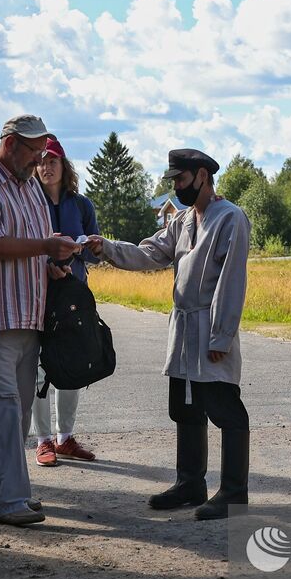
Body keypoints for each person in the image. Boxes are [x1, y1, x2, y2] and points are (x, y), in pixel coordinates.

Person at [86, 149, 251, 521]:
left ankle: (235, 493)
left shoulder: (231, 218)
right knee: (185, 408)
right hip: (183, 330)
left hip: (210, 327)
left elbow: (231, 282)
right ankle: (191, 483)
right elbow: (150, 253)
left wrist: (221, 337)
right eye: (173, 180)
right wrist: (106, 247)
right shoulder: (183, 221)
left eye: (180, 179)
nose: (176, 186)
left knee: (225, 408)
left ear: (203, 176)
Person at [0, 114, 81, 528]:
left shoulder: (31, 188)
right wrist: (44, 245)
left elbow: (34, 248)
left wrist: (50, 264)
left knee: (20, 410)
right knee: (3, 409)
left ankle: (6, 490)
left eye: (43, 150)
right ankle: (9, 503)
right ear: (8, 142)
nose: (39, 158)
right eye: (32, 150)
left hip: (29, 313)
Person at [31, 136, 100, 467]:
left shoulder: (82, 204)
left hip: (73, 294)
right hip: (37, 293)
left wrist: (90, 247)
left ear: (64, 165)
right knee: (36, 367)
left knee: (72, 363)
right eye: (41, 161)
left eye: (52, 161)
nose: (46, 167)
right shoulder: (28, 202)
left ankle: (65, 437)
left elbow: (94, 256)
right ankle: (43, 440)